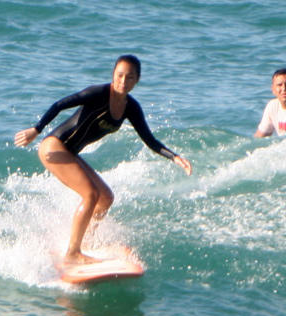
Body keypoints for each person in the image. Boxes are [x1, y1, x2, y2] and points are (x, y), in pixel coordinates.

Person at [14, 55, 192, 264]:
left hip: (70, 152)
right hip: (54, 147)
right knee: (91, 194)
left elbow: (149, 139)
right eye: (120, 75)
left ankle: (84, 242)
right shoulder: (97, 93)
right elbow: (59, 104)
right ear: (113, 75)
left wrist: (175, 157)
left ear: (137, 80)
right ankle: (73, 253)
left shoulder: (131, 108)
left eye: (130, 77)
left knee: (105, 197)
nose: (123, 81)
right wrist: (36, 130)